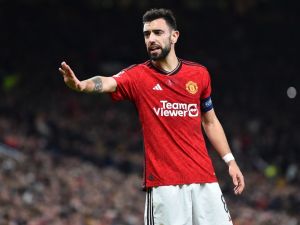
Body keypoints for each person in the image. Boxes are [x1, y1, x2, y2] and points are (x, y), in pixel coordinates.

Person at [59, 8, 245, 225]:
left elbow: (210, 121)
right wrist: (82, 86)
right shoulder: (138, 76)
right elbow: (109, 82)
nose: (151, 39)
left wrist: (230, 161)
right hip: (165, 185)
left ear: (174, 36)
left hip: (205, 179)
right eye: (147, 34)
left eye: (158, 33)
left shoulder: (199, 74)